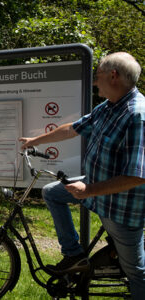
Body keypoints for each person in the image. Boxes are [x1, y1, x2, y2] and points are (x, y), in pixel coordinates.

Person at [19, 52, 145, 299]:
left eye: (98, 76)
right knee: (51, 193)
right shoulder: (109, 107)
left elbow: (137, 176)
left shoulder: (136, 115)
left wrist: (88, 191)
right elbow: (72, 129)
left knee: (137, 273)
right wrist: (35, 140)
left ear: (114, 76)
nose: (95, 82)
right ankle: (74, 254)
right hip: (97, 190)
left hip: (121, 207)